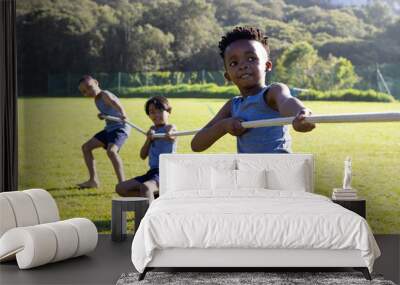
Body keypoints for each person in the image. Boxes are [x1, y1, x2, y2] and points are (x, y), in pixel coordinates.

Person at [191, 26, 315, 153]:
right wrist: (224, 126)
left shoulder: (273, 92)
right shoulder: (232, 106)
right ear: (227, 75)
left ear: (267, 65)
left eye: (251, 58)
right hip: (248, 170)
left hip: (278, 170)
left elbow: (286, 102)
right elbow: (196, 144)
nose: (243, 66)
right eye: (234, 63)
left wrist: (301, 113)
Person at [116, 96, 177, 203]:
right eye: (152, 112)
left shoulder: (170, 127)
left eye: (160, 111)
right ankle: (155, 197)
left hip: (164, 172)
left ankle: (149, 216)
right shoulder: (152, 131)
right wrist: (149, 139)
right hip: (152, 173)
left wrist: (170, 134)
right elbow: (142, 155)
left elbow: (172, 134)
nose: (156, 115)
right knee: (121, 188)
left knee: (146, 187)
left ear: (168, 111)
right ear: (148, 115)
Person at [77, 75, 131, 188]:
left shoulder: (104, 94)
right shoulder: (96, 99)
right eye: (84, 92)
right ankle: (93, 181)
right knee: (86, 147)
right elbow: (109, 112)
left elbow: (115, 103)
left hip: (120, 128)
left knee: (111, 152)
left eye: (89, 87)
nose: (88, 92)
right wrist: (103, 116)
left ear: (96, 83)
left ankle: (122, 184)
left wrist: (123, 113)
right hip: (109, 129)